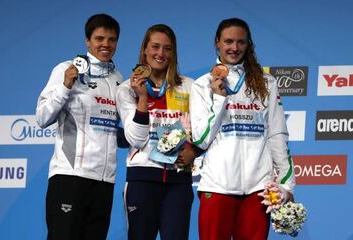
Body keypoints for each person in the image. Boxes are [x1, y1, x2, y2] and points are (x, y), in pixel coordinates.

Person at [189, 18, 296, 240]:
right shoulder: (202, 84)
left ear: (248, 45)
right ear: (217, 42)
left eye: (241, 42)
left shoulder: (266, 83)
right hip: (217, 187)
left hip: (258, 190)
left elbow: (277, 134)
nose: (234, 48)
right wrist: (219, 99)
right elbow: (201, 140)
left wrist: (287, 185)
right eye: (228, 41)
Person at [36, 13, 123, 240]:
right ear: (87, 41)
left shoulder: (119, 79)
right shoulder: (66, 69)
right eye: (99, 38)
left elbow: (118, 132)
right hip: (70, 176)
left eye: (111, 39)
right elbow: (42, 118)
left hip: (104, 181)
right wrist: (65, 86)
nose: (106, 44)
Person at [116, 24, 201, 240]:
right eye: (155, 46)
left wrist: (195, 150)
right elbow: (135, 138)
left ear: (173, 53)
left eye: (167, 48)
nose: (160, 54)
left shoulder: (189, 87)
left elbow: (204, 130)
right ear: (145, 49)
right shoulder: (127, 89)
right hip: (141, 179)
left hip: (178, 181)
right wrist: (142, 98)